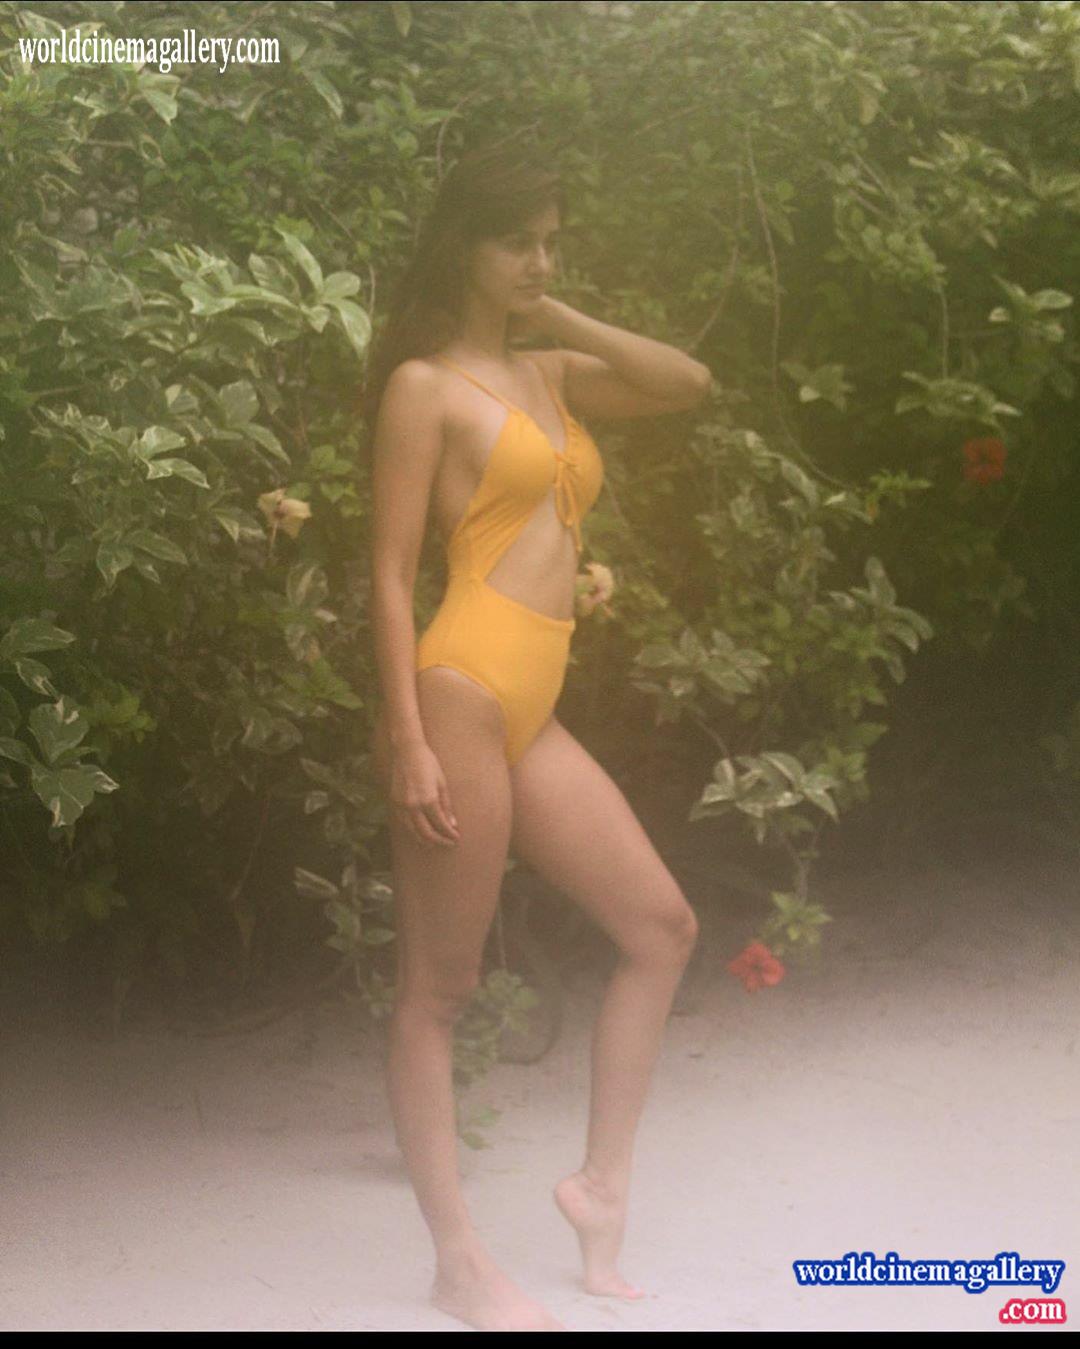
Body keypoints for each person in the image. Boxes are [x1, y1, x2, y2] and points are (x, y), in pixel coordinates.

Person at [365, 140, 712, 1332]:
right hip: (461, 689)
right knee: (440, 986)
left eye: (551, 241)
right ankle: (459, 1262)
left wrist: (550, 309)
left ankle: (599, 1187)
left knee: (662, 926)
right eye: (516, 240)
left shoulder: (552, 372)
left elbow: (686, 382)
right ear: (463, 245)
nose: (538, 259)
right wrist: (406, 737)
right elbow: (388, 574)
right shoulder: (423, 387)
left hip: (533, 707)